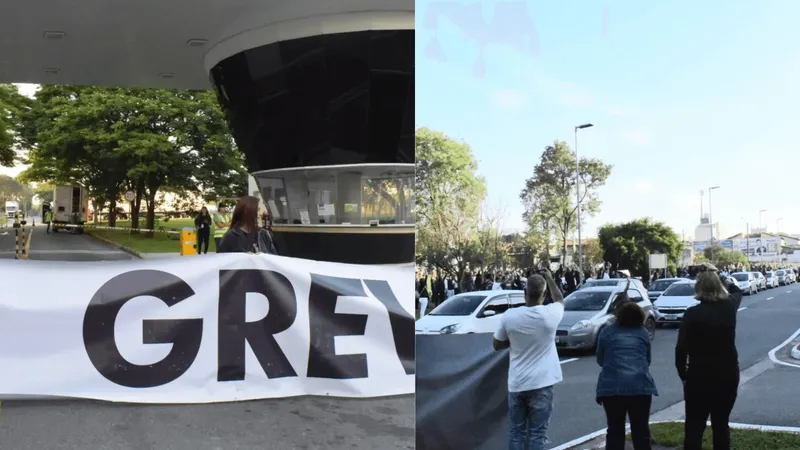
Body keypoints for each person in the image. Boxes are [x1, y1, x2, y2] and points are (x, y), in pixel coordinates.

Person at [493, 268, 565, 450]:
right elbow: (560, 299)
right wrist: (549, 277)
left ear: (524, 293)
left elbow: (497, 344)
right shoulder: (550, 315)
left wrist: (515, 340)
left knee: (517, 432)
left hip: (517, 384)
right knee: (537, 434)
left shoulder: (509, 316)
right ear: (544, 293)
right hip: (542, 383)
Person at [676, 267, 741, 450]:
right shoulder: (729, 307)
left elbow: (680, 349)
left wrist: (684, 375)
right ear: (719, 287)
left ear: (698, 288)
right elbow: (737, 290)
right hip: (727, 374)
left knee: (694, 427)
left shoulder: (692, 314)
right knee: (721, 424)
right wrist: (721, 276)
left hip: (699, 376)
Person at [595, 301, 658, 450]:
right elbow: (647, 360)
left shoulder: (607, 332)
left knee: (615, 430)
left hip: (612, 388)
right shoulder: (642, 333)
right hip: (640, 386)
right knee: (641, 430)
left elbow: (600, 359)